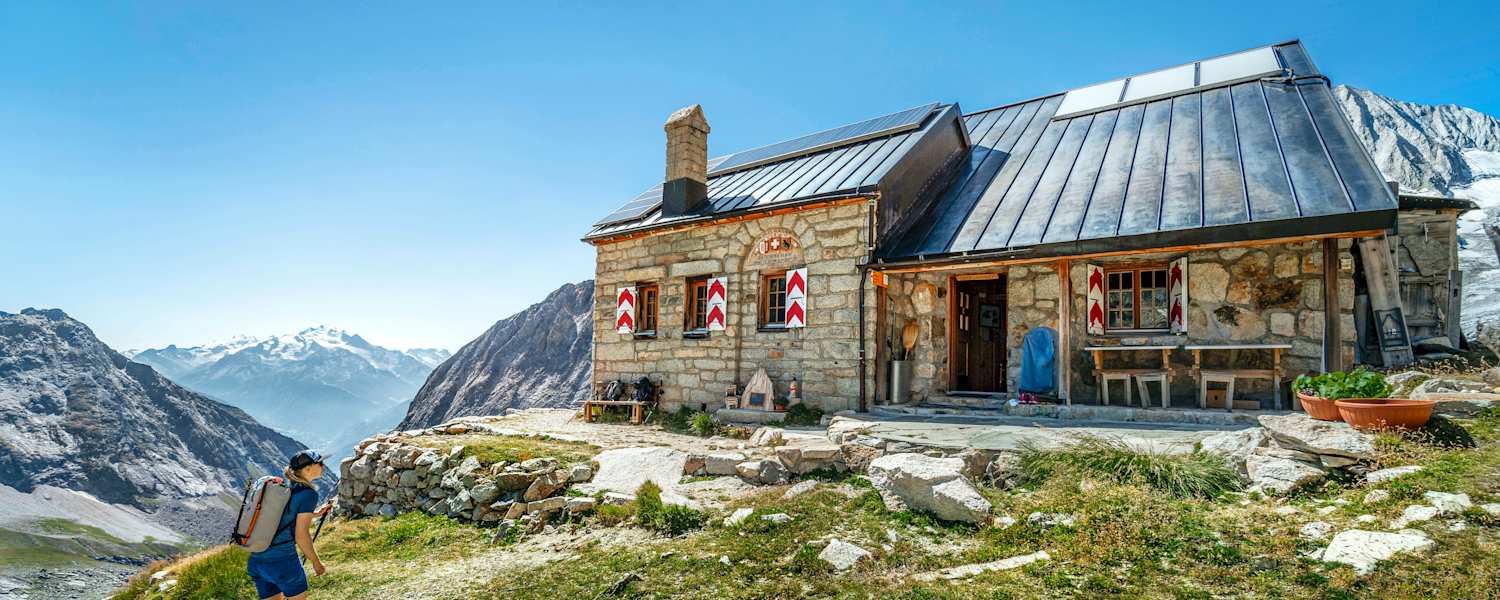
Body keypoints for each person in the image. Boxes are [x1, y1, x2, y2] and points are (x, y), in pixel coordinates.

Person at [246, 450, 330, 600]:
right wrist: (316, 562)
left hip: (257, 560)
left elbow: (283, 517)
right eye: (320, 463)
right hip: (282, 561)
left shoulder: (285, 490)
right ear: (308, 469)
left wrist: (314, 514)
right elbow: (301, 535)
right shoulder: (308, 494)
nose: (323, 466)